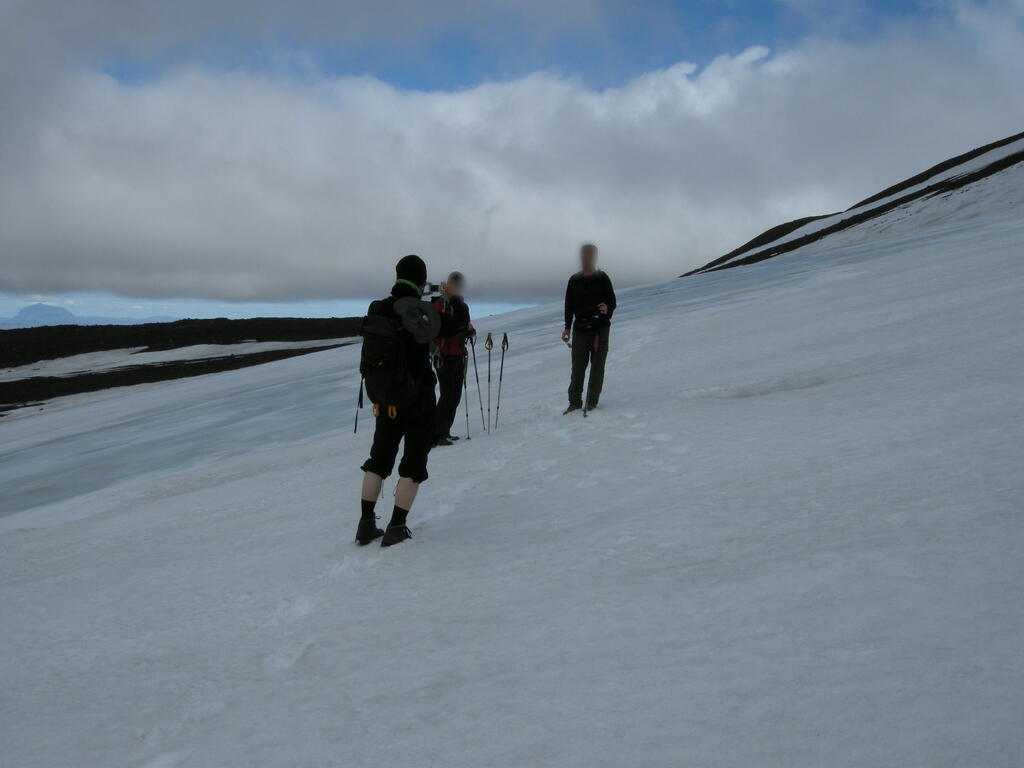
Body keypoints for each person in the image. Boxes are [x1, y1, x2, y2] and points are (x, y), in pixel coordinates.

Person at [357, 255, 461, 547]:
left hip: (384, 400)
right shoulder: (420, 311)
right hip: (417, 400)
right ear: (421, 280)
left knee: (378, 460)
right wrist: (450, 298)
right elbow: (454, 327)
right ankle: (396, 526)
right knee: (413, 464)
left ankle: (366, 524)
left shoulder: (377, 308)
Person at [561, 243, 616, 414]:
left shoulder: (603, 278)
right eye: (583, 254)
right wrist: (567, 328)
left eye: (588, 254)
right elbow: (569, 306)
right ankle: (574, 402)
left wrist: (607, 309)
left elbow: (612, 302)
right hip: (580, 330)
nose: (585, 257)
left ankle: (591, 402)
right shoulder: (574, 280)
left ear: (594, 256)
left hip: (600, 329)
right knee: (577, 367)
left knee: (597, 366)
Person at [432, 271, 475, 446]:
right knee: (447, 394)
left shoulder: (460, 304)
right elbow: (442, 328)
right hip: (444, 355)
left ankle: (444, 431)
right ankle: (436, 435)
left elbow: (463, 325)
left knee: (454, 395)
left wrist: (469, 331)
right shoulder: (440, 304)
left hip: (457, 353)